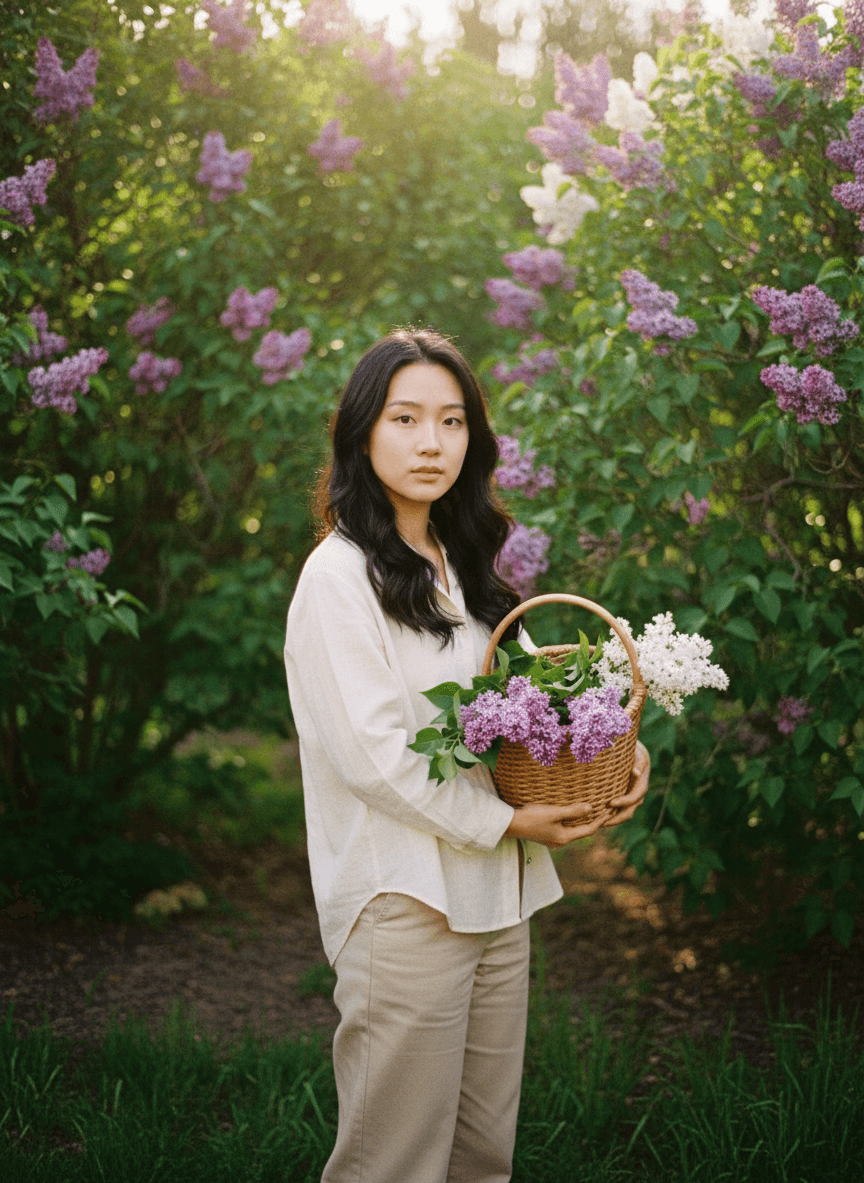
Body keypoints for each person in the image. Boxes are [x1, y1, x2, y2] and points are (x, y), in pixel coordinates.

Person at [283, 329, 649, 1183]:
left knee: (482, 1157)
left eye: (451, 421)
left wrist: (607, 750)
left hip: (496, 888)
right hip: (406, 897)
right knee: (394, 1161)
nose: (430, 442)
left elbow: (524, 714)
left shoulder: (465, 567)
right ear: (363, 432)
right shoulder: (338, 579)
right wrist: (507, 816)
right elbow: (373, 756)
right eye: (405, 417)